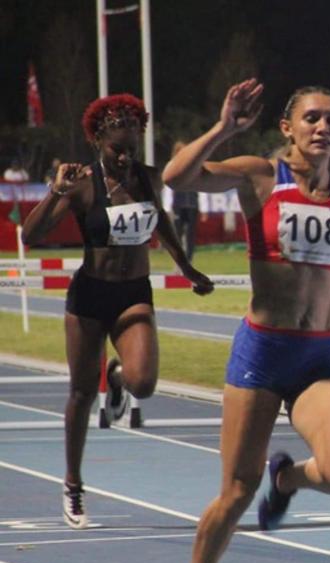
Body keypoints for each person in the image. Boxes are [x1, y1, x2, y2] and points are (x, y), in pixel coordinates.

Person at [163, 79, 330, 563]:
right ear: (287, 128)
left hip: (318, 355)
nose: (323, 127)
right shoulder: (260, 176)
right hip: (262, 351)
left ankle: (287, 479)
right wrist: (223, 128)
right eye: (312, 118)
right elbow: (176, 178)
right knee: (236, 491)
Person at [20, 94, 213, 531]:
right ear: (97, 141)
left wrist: (186, 268)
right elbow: (31, 235)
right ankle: (73, 483)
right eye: (116, 149)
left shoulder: (147, 178)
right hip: (90, 297)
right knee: (82, 393)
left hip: (133, 293)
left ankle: (118, 376)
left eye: (131, 147)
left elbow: (161, 221)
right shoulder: (83, 184)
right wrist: (56, 190)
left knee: (144, 382)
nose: (125, 157)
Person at [170, 141, 201, 261]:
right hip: (178, 204)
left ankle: (189, 259)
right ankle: (179, 259)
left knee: (190, 234)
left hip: (192, 204)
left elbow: (200, 186)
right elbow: (168, 187)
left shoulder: (193, 165)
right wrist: (167, 207)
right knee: (177, 233)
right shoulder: (172, 166)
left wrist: (203, 207)